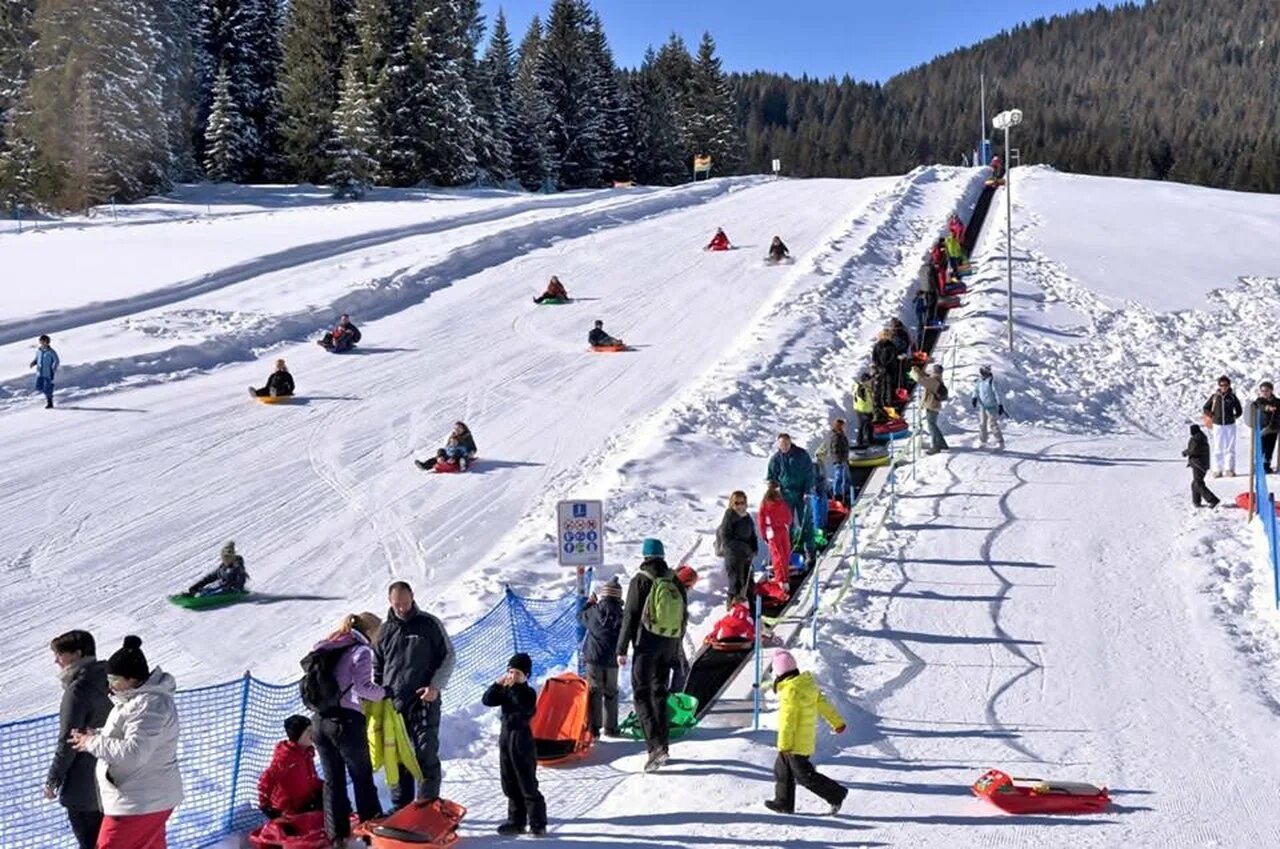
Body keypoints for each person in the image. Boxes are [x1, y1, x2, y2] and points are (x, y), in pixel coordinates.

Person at [70, 636, 182, 849]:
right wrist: (98, 734)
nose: (109, 684)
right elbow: (133, 735)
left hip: (139, 803)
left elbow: (133, 752)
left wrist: (92, 742)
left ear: (132, 679)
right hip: (144, 799)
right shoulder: (137, 702)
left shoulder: (149, 705)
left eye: (113, 678)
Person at [305, 612, 387, 843]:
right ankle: (372, 832)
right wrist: (385, 692)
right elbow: (363, 688)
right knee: (361, 777)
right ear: (370, 631)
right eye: (378, 632)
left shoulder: (330, 646)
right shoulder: (361, 651)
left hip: (319, 722)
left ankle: (337, 837)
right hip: (346, 723)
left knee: (333, 781)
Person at [374, 581, 455, 807]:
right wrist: (379, 695)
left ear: (412, 597)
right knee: (397, 756)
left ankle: (427, 804)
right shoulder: (384, 630)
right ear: (390, 602)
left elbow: (448, 656)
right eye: (397, 603)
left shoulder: (429, 624)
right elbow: (377, 666)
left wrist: (435, 687)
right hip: (394, 706)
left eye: (405, 602)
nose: (402, 608)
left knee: (425, 754)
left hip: (423, 701)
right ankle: (401, 807)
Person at [615, 538, 687, 772]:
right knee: (659, 693)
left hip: (646, 645)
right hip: (668, 643)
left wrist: (621, 648)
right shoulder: (674, 579)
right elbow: (683, 614)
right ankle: (663, 746)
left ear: (645, 557)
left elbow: (631, 615)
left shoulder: (641, 580)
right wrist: (676, 644)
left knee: (641, 694)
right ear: (662, 555)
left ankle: (654, 748)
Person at [45, 630, 112, 849]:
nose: (56, 660)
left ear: (77, 654)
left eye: (60, 654)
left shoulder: (78, 690)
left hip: (84, 788)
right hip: (114, 779)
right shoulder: (109, 677)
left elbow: (68, 740)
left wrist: (53, 779)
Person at [763, 650, 848, 815]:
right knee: (782, 769)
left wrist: (784, 744)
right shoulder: (806, 684)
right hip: (803, 739)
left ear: (779, 672)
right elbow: (824, 704)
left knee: (804, 776)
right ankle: (783, 803)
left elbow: (788, 722)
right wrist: (837, 722)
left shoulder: (791, 691)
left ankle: (836, 793)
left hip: (794, 743)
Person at [482, 653, 547, 836]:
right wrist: (497, 684)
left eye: (518, 673)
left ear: (526, 675)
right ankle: (516, 821)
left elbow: (524, 707)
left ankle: (537, 823)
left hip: (522, 740)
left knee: (526, 782)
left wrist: (515, 687)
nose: (513, 676)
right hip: (506, 739)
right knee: (509, 782)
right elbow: (487, 700)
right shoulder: (505, 689)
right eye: (511, 672)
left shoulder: (528, 692)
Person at [580, 577, 624, 738]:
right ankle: (611, 728)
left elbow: (580, 617)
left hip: (593, 658)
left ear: (604, 595)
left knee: (594, 691)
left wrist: (590, 603)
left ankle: (594, 728)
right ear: (619, 596)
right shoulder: (622, 615)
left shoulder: (594, 612)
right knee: (611, 692)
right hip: (613, 660)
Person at [257, 715, 324, 819]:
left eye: (312, 729)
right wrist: (265, 805)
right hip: (291, 808)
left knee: (335, 797)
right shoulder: (286, 757)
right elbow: (267, 779)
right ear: (298, 735)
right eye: (308, 731)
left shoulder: (307, 752)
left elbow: (310, 779)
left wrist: (325, 787)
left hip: (307, 800)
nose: (312, 734)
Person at [766, 434, 815, 562]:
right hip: (786, 495)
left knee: (805, 521)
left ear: (790, 442)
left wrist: (807, 490)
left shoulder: (801, 455)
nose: (784, 447)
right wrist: (774, 491)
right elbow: (771, 477)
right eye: (782, 445)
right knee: (788, 524)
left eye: (786, 444)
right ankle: (788, 551)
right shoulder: (776, 459)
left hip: (801, 492)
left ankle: (809, 549)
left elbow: (809, 473)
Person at [715, 490, 759, 604]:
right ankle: (733, 612)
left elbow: (752, 534)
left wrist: (754, 548)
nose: (739, 506)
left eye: (742, 502)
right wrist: (745, 547)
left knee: (748, 584)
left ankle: (751, 611)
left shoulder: (747, 517)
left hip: (746, 556)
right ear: (732, 504)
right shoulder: (729, 516)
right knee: (736, 586)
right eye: (736, 503)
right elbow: (726, 539)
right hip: (733, 556)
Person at [1202, 375, 1243, 477]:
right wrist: (1213, 416)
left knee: (1230, 447)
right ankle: (1217, 469)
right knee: (1218, 447)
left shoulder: (1232, 397)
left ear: (1229, 385)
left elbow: (1239, 410)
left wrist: (1233, 417)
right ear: (1219, 385)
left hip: (1230, 425)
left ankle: (1229, 469)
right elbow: (1205, 408)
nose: (1223, 387)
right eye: (1221, 385)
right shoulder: (1215, 397)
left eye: (1226, 385)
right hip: (1218, 425)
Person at [758, 480, 794, 585]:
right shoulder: (780, 501)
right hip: (780, 530)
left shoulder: (765, 503)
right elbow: (788, 516)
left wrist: (764, 534)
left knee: (779, 556)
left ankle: (782, 579)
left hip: (774, 531)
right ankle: (783, 578)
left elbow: (761, 520)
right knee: (783, 554)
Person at [669, 566, 698, 693]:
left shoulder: (667, 588)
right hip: (672, 638)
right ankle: (675, 697)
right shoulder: (678, 594)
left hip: (660, 637)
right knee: (682, 668)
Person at [912, 362, 950, 454]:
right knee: (933, 425)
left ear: (935, 371)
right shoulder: (937, 379)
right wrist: (919, 371)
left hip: (932, 405)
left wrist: (914, 372)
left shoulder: (933, 380)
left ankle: (936, 447)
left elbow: (921, 380)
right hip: (934, 405)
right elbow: (925, 376)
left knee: (932, 426)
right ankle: (942, 444)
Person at [1182, 424, 1219, 508]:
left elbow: (1194, 450)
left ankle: (1213, 500)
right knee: (1195, 483)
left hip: (1198, 464)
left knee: (1198, 484)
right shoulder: (1201, 437)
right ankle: (1196, 502)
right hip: (1201, 463)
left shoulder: (1196, 439)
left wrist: (1185, 452)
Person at [815, 420, 850, 505]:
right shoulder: (836, 437)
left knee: (843, 477)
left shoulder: (840, 435)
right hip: (839, 460)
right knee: (838, 477)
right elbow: (835, 450)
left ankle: (843, 492)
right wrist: (839, 459)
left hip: (842, 459)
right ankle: (837, 495)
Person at [971, 365, 1006, 449]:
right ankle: (983, 441)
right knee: (982, 424)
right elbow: (976, 390)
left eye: (983, 372)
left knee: (992, 423)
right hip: (983, 406)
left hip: (992, 406)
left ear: (987, 372)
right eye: (981, 372)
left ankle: (1000, 442)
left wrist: (1000, 404)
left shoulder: (992, 381)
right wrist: (974, 398)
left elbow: (997, 393)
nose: (982, 374)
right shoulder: (979, 381)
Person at [1249, 381, 1280, 474]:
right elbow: (1259, 406)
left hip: (1273, 429)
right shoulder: (1259, 401)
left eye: (1266, 390)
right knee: (1261, 448)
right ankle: (1258, 466)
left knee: (1270, 449)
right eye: (1262, 391)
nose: (1264, 393)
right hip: (1262, 429)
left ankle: (1266, 466)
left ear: (1271, 391)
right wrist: (1268, 408)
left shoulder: (1277, 402)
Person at [871, 330, 901, 416]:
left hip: (889, 371)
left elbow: (892, 358)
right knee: (881, 389)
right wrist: (880, 367)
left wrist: (884, 367)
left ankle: (888, 407)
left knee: (888, 389)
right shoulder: (878, 346)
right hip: (882, 370)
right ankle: (882, 407)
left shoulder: (890, 346)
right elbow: (875, 358)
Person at [30, 334, 59, 409]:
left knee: (47, 388)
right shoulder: (39, 351)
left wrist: (53, 369)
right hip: (40, 373)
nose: (42, 343)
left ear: (47, 342)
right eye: (41, 341)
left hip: (48, 373)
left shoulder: (51, 352)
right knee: (39, 387)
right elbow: (37, 358)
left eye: (44, 341)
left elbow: (56, 361)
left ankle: (50, 402)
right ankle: (49, 391)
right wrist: (33, 363)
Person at [852, 372, 875, 449]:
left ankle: (868, 440)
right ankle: (862, 443)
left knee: (867, 426)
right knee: (864, 426)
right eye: (869, 380)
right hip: (863, 410)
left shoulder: (863, 387)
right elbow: (863, 398)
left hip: (864, 409)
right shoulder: (862, 388)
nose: (871, 382)